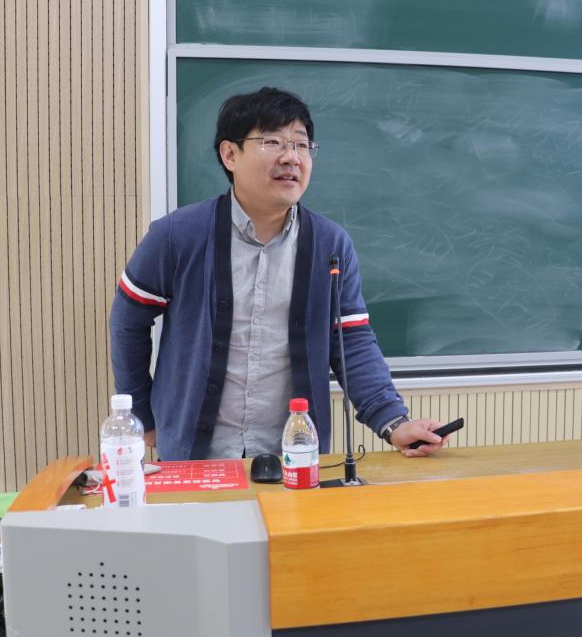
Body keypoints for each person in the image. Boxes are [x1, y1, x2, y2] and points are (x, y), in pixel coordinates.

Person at [110, 87, 446, 460]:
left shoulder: (330, 244)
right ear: (230, 154)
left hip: (293, 455)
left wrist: (394, 422)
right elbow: (128, 320)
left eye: (301, 145)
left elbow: (351, 342)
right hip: (195, 455)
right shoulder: (177, 236)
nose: (291, 157)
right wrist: (141, 414)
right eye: (272, 142)